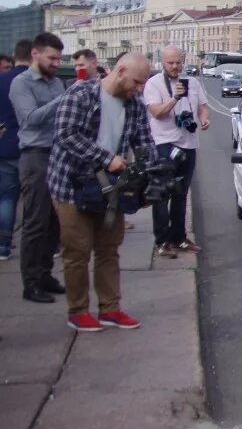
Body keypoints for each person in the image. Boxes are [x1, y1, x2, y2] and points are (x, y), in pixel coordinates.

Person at [47, 53, 155, 332]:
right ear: (120, 71)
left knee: (109, 250)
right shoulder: (81, 94)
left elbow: (145, 142)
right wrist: (107, 158)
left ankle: (110, 309)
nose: (140, 89)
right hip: (72, 187)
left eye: (143, 84)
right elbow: (66, 134)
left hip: (111, 190)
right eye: (136, 82)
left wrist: (150, 173)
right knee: (77, 251)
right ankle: (79, 311)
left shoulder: (134, 105)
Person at [9, 33, 67, 303]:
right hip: (35, 157)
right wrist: (64, 100)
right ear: (35, 54)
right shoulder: (21, 83)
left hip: (57, 155)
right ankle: (30, 283)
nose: (56, 63)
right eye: (51, 58)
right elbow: (30, 119)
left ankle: (45, 274)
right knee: (35, 222)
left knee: (55, 222)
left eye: (59, 58)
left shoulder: (55, 83)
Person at [143, 46, 209, 258]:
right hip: (165, 144)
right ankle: (162, 241)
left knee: (181, 193)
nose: (175, 66)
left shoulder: (193, 82)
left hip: (188, 144)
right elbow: (156, 113)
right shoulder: (153, 84)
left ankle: (179, 238)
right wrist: (174, 97)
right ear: (163, 62)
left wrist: (204, 118)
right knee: (162, 194)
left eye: (178, 62)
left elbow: (202, 106)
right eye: (170, 63)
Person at [0, 39, 31, 262]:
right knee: (35, 198)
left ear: (14, 55)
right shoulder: (36, 81)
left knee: (7, 197)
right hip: (32, 147)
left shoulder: (2, 80)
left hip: (7, 144)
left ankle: (3, 245)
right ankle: (37, 244)